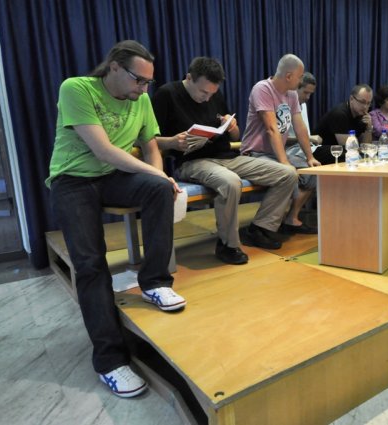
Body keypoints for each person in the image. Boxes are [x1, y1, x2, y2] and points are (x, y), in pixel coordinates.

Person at [46, 40, 185, 398]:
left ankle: (154, 281)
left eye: (149, 82)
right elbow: (104, 150)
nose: (144, 89)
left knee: (159, 188)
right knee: (90, 264)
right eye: (139, 80)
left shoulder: (141, 100)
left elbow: (151, 146)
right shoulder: (77, 88)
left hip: (111, 177)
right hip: (72, 180)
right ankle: (109, 361)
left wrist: (159, 176)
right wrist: (158, 175)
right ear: (114, 68)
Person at [152, 57, 297, 258]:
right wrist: (172, 142)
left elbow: (235, 137)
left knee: (288, 173)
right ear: (189, 78)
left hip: (227, 157)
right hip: (192, 161)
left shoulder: (214, 94)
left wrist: (232, 126)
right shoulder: (166, 94)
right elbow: (148, 140)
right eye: (203, 92)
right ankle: (228, 245)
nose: (207, 98)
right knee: (230, 182)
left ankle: (260, 228)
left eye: (212, 93)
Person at [240, 54, 321, 235]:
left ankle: (291, 219)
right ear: (289, 76)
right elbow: (271, 128)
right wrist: (284, 162)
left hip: (275, 154)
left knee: (313, 173)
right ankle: (262, 228)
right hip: (255, 154)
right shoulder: (262, 89)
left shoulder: (291, 94)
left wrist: (310, 157)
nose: (301, 81)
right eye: (300, 77)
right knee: (287, 174)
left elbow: (300, 127)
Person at [314, 84, 374, 164]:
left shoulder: (362, 115)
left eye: (368, 103)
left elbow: (365, 147)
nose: (365, 107)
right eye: (362, 102)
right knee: (351, 155)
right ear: (351, 99)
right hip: (321, 150)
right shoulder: (340, 114)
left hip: (339, 152)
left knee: (368, 155)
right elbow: (349, 147)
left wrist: (368, 128)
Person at [287, 72, 321, 144]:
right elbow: (278, 138)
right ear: (295, 88)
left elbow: (306, 135)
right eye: (305, 93)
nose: (308, 97)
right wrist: (308, 138)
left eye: (310, 94)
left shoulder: (303, 105)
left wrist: (309, 139)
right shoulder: (283, 107)